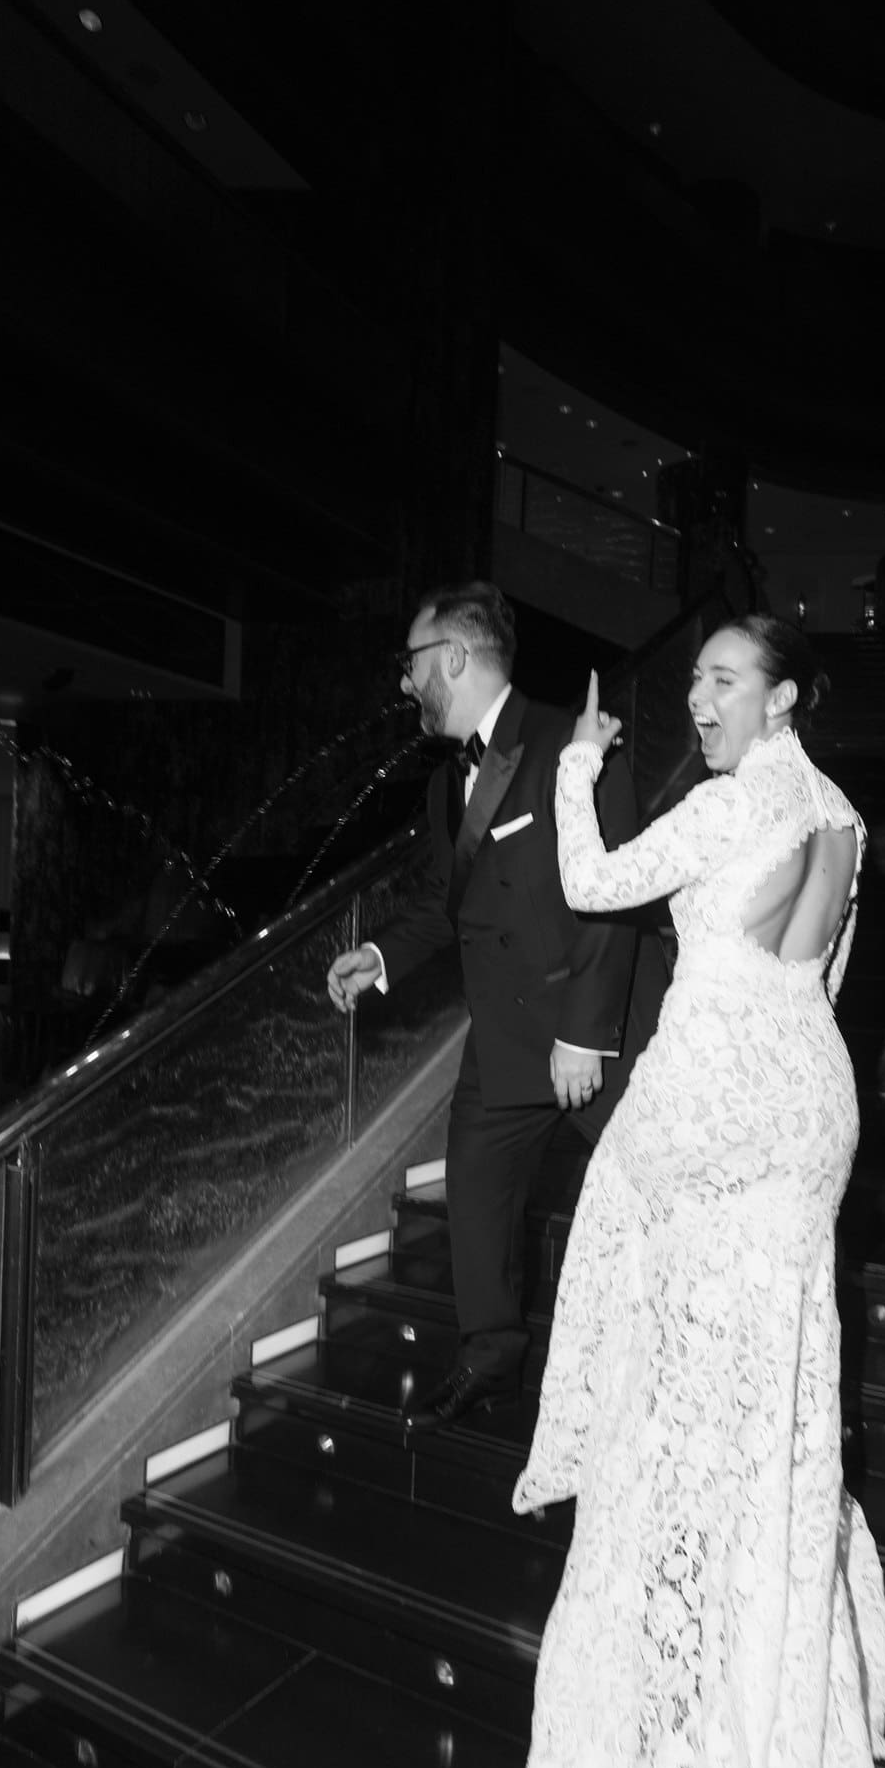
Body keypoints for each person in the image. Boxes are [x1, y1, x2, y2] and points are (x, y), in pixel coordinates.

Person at [441, 617, 885, 1768]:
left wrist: (578, 764)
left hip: (718, 1110)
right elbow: (814, 981)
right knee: (770, 1380)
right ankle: (763, 1607)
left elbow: (591, 883)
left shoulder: (723, 804)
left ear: (781, 696)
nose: (699, 698)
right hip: (809, 1107)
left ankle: (691, 1636)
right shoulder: (842, 819)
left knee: (674, 1388)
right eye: (693, 676)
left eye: (723, 679)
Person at [326, 581, 665, 1433]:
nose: (405, 682)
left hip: (599, 1036)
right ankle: (489, 1361)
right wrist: (381, 957)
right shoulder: (447, 785)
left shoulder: (576, 744)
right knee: (476, 1200)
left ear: (453, 657)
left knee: (665, 1200)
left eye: (412, 663)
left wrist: (584, 1035)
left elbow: (617, 900)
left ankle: (675, 1371)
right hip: (505, 1041)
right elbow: (450, 899)